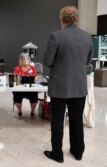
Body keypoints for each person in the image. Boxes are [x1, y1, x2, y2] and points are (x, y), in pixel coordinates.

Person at [43, 6, 93, 163]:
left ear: (62, 19)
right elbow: (88, 62)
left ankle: (57, 153)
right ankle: (77, 151)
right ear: (76, 19)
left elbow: (47, 61)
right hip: (79, 86)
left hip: (59, 86)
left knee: (58, 120)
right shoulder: (87, 37)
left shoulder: (56, 36)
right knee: (76, 120)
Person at [13, 52, 38, 119]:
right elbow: (15, 79)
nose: (25, 60)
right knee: (16, 94)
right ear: (20, 60)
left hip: (31, 88)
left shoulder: (33, 68)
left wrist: (34, 79)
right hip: (20, 88)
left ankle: (32, 112)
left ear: (29, 60)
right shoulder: (17, 68)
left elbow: (36, 78)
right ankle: (19, 112)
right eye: (23, 59)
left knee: (34, 95)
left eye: (26, 59)